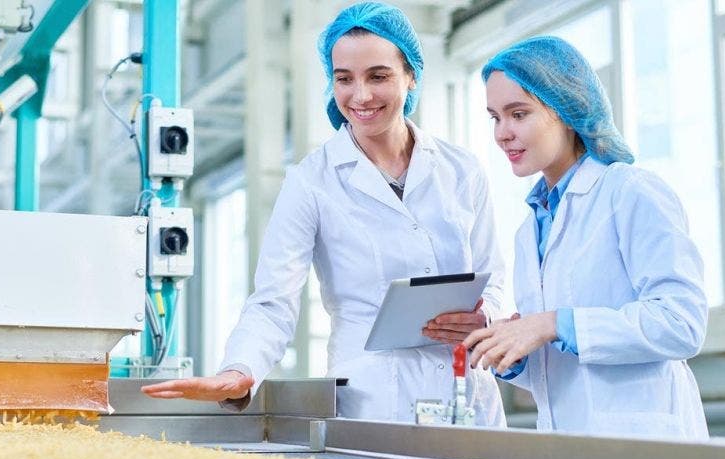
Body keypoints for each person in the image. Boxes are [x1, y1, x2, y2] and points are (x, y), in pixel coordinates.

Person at [142, 2, 506, 425]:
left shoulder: (460, 169)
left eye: (379, 76)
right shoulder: (312, 181)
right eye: (344, 79)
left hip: (468, 391)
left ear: (411, 76)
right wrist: (239, 370)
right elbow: (273, 300)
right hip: (375, 403)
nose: (361, 95)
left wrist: (486, 317)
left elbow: (494, 277)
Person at [465, 36, 708, 438]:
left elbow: (681, 323)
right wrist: (511, 351)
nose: (502, 133)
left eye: (518, 114)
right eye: (495, 117)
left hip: (646, 444)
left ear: (564, 108)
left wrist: (553, 324)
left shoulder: (630, 192)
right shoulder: (531, 228)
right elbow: (563, 373)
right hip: (567, 447)